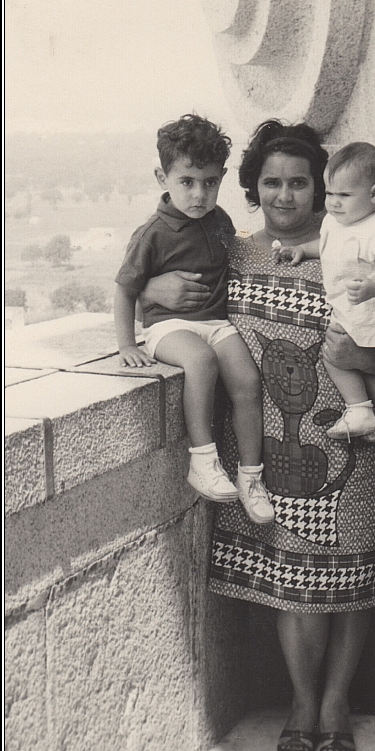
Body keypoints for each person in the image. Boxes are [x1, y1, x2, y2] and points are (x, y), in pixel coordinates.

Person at [143, 120, 375, 751]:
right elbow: (160, 300)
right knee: (290, 590)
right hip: (268, 455)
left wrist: (358, 350)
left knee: (350, 588)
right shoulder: (227, 255)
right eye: (272, 183)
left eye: (299, 182)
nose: (286, 195)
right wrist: (151, 289)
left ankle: (334, 706)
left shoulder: (360, 250)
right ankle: (300, 703)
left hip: (354, 447)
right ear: (253, 189)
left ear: (321, 187)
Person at [114, 114, 274, 524]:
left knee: (247, 379)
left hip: (215, 321)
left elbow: (235, 256)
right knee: (201, 362)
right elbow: (125, 288)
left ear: (221, 177)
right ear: (162, 177)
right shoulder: (152, 232)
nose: (199, 194)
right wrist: (127, 344)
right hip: (168, 327)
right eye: (187, 182)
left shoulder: (219, 221)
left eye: (209, 182)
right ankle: (202, 460)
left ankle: (250, 477)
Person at [274, 142, 375, 442]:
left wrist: (373, 287)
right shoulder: (339, 221)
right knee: (360, 349)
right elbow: (330, 246)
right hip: (367, 316)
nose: (334, 202)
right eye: (330, 193)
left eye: (344, 195)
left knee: (333, 352)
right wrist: (302, 249)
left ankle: (358, 409)